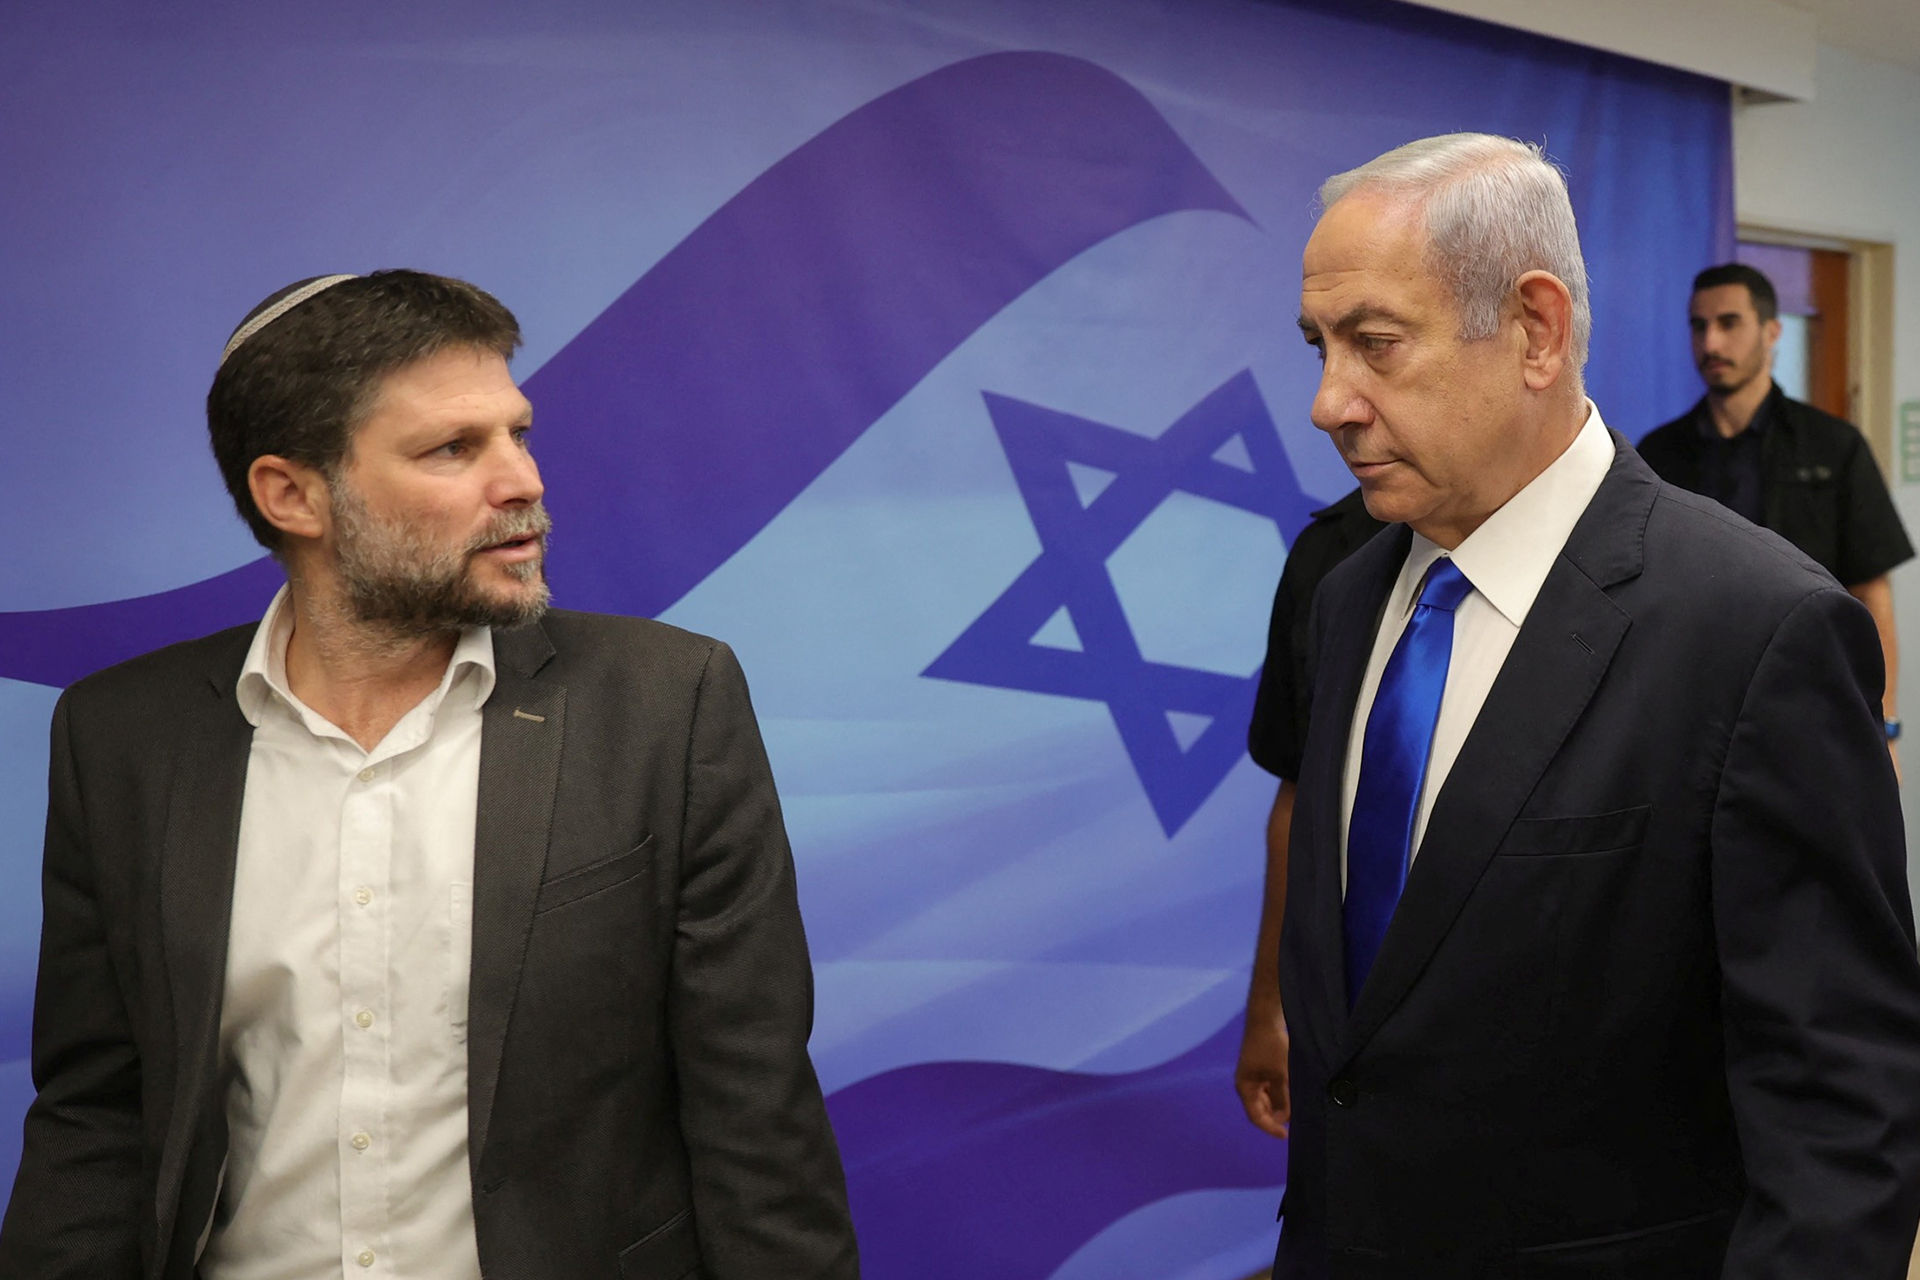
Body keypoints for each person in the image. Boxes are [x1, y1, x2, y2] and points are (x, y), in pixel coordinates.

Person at [0, 271, 860, 1280]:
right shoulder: (122, 737)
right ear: (292, 495)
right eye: (453, 448)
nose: (522, 480)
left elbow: (756, 1117)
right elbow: (96, 1116)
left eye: (517, 433)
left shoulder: (666, 704)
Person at [1277, 134, 1920, 1277]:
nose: (1330, 402)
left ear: (1536, 328)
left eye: (1375, 343)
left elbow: (1840, 1110)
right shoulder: (1346, 597)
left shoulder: (1757, 630)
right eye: (1319, 347)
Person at [1639, 262, 1913, 752]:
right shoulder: (1659, 455)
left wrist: (1884, 727)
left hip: (1812, 703)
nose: (1711, 343)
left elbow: (1871, 593)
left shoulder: (1833, 446)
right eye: (1699, 326)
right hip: (1692, 710)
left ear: (1771, 332)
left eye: (1729, 323)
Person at [1237, 489, 1384, 1140]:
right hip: (1360, 1033)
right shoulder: (1326, 554)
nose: (1344, 438)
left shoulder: (1643, 544)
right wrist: (1272, 1010)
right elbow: (1300, 802)